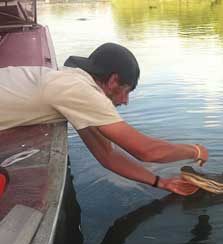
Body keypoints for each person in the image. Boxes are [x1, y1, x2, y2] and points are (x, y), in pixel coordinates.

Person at [0, 43, 208, 196]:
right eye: (126, 91)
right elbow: (147, 151)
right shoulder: (80, 91)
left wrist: (162, 182)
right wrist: (195, 150)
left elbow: (107, 155)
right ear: (113, 80)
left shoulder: (73, 85)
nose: (125, 101)